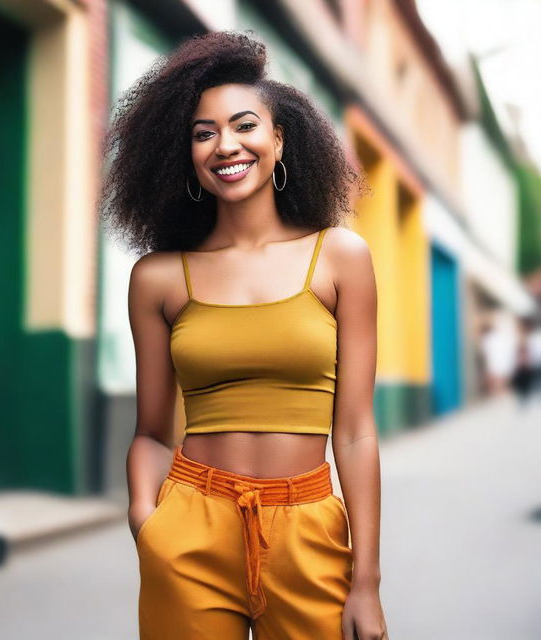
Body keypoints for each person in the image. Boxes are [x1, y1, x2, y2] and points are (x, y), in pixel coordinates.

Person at [100, 29, 388, 640]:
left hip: (309, 526)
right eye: (203, 134)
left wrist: (366, 581)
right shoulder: (158, 278)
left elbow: (357, 430)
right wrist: (146, 522)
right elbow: (152, 431)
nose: (224, 145)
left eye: (244, 125)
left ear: (280, 139)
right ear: (186, 155)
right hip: (189, 529)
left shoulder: (340, 258)